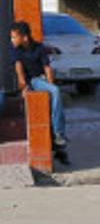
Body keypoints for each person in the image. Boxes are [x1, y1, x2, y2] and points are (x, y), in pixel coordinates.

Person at [10, 20, 68, 149]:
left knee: (55, 92)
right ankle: (59, 132)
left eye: (14, 37)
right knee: (54, 92)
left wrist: (51, 84)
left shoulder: (39, 47)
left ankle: (59, 133)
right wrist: (23, 85)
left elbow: (47, 67)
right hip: (32, 81)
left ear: (24, 37)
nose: (12, 40)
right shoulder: (15, 50)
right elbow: (18, 67)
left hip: (41, 79)